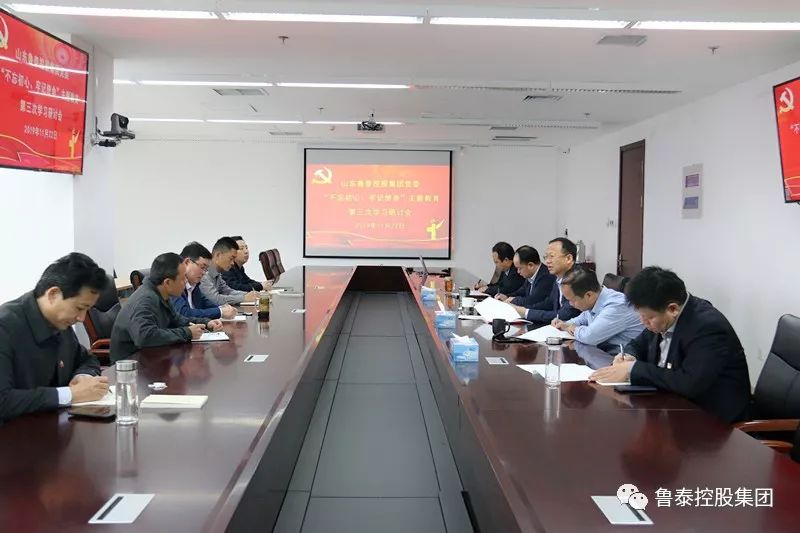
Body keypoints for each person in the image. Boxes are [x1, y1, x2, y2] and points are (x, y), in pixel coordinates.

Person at [589, 267, 752, 423]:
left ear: (672, 309)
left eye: (648, 318)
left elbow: (689, 383)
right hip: (671, 407)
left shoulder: (707, 328)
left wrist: (632, 369)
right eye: (641, 316)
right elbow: (638, 344)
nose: (643, 322)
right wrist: (628, 356)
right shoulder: (661, 317)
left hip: (711, 421)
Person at [0, 253, 110, 421]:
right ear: (53, 294)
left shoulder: (60, 322)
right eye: (80, 308)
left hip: (53, 426)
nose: (82, 318)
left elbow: (86, 359)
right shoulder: (5, 327)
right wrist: (70, 394)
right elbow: (3, 401)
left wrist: (83, 377)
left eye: (87, 310)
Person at [111, 253, 224, 362]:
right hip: (130, 364)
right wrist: (187, 333)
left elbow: (178, 320)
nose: (186, 282)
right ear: (168, 283)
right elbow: (145, 336)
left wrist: (206, 323)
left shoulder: (161, 294)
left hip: (152, 357)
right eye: (182, 278)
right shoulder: (145, 300)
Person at [553, 266, 643, 352]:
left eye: (572, 300)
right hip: (604, 352)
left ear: (589, 295)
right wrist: (564, 324)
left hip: (623, 356)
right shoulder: (595, 300)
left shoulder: (616, 306)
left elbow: (589, 337)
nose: (570, 304)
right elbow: (581, 319)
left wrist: (572, 328)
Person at [511, 237, 580, 326]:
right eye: (546, 257)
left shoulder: (578, 279)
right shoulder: (559, 277)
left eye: (551, 256)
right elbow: (549, 303)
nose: (547, 261)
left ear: (569, 258)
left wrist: (526, 313)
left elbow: (564, 315)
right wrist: (523, 311)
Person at [171, 242, 237, 320]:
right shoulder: (173, 283)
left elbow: (206, 304)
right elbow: (183, 313)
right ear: (187, 262)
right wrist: (220, 312)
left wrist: (224, 309)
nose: (204, 273)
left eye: (206, 269)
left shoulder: (194, 285)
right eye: (202, 267)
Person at [200, 237, 258, 306]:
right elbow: (215, 299)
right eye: (231, 258)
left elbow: (228, 291)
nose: (233, 263)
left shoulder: (217, 273)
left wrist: (249, 295)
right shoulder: (203, 273)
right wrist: (243, 298)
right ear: (218, 255)